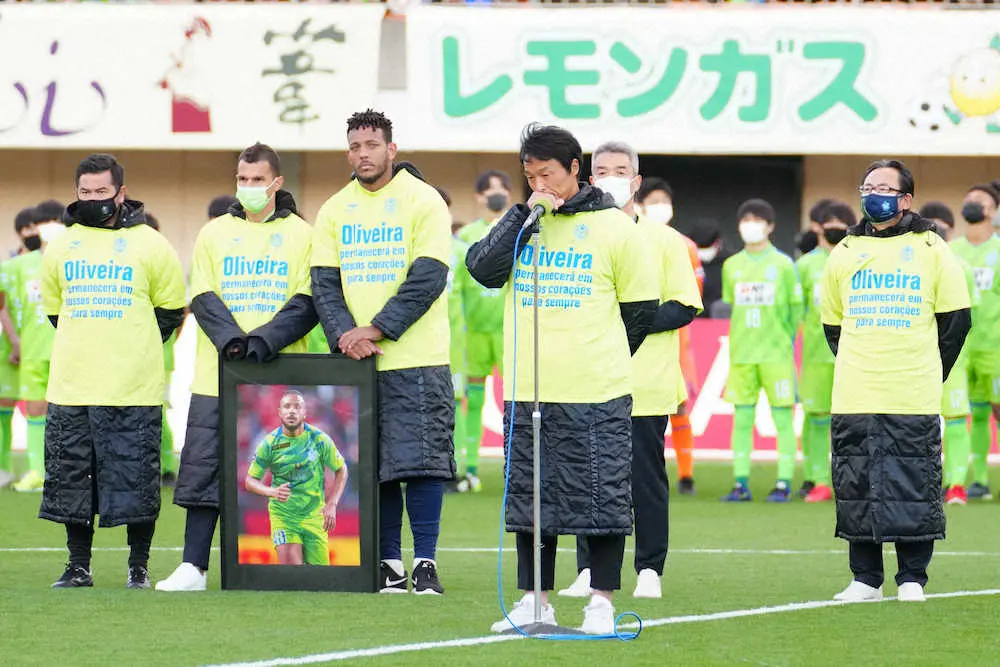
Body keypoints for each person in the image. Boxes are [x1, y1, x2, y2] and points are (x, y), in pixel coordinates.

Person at [466, 124, 657, 634]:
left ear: (576, 168)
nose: (539, 185)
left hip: (596, 387)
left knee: (603, 496)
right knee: (532, 500)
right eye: (530, 176)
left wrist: (599, 353)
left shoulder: (616, 227)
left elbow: (640, 311)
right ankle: (535, 600)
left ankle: (601, 603)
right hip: (528, 388)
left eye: (547, 174)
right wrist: (522, 215)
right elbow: (482, 269)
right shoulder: (525, 223)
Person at [158, 143, 317, 592]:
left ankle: (286, 564)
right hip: (219, 374)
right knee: (203, 468)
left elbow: (308, 301)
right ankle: (193, 567)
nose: (248, 186)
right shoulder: (213, 233)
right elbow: (203, 295)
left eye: (257, 179)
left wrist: (263, 341)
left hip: (282, 376)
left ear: (276, 182)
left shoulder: (303, 235)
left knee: (286, 473)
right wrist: (233, 343)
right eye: (242, 179)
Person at [311, 109, 455, 596]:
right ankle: (390, 564)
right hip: (359, 362)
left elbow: (428, 277)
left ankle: (426, 562)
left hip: (418, 358)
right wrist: (346, 336)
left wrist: (375, 328)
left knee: (423, 463)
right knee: (376, 467)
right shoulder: (334, 209)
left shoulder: (423, 199)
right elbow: (324, 284)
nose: (363, 154)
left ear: (391, 149)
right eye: (355, 147)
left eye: (372, 145)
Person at [822, 159, 971, 603]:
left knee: (914, 483)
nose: (874, 195)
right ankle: (865, 578)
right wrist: (861, 361)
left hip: (912, 390)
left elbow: (955, 321)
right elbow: (833, 325)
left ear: (906, 199)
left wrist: (927, 366)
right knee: (856, 483)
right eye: (868, 187)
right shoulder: (844, 251)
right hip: (856, 390)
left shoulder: (932, 248)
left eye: (885, 188)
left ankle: (911, 577)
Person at [559, 142, 701, 602]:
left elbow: (684, 305)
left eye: (620, 171)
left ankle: (649, 568)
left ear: (636, 181)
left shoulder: (666, 240)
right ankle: (587, 568)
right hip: (588, 382)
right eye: (602, 170)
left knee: (644, 480)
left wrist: (626, 321)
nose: (611, 178)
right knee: (587, 479)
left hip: (645, 384)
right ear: (589, 179)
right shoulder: (578, 232)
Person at [39, 153, 187, 589]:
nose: (93, 199)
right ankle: (78, 566)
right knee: (73, 481)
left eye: (101, 191)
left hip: (132, 388)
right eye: (85, 192)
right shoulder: (61, 245)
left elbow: (171, 309)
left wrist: (132, 343)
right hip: (73, 386)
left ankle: (138, 567)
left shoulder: (151, 244)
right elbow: (55, 311)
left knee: (137, 480)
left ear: (121, 193)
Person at [720, 199, 803, 502]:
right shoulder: (731, 266)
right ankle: (740, 482)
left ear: (770, 227)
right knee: (742, 420)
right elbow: (732, 306)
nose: (750, 226)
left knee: (783, 419)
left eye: (757, 220)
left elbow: (796, 310)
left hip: (776, 356)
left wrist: (782, 340)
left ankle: (783, 482)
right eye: (746, 220)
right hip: (742, 355)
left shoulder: (783, 265)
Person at [633, 176, 704, 496]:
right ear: (640, 204)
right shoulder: (628, 238)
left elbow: (693, 294)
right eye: (654, 201)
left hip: (676, 337)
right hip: (639, 340)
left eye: (665, 201)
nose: (661, 207)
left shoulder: (684, 245)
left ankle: (686, 475)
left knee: (679, 405)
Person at [453, 170, 512, 493]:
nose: (496, 194)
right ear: (478, 197)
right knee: (472, 402)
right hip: (474, 332)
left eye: (502, 189)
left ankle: (518, 468)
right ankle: (470, 469)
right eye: (490, 190)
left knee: (517, 402)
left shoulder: (517, 231)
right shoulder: (465, 236)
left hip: (508, 332)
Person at [794, 201, 854, 503]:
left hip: (854, 355)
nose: (834, 229)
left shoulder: (859, 259)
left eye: (841, 223)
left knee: (854, 421)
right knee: (816, 416)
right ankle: (817, 479)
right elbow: (796, 313)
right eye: (829, 223)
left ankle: (852, 480)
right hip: (817, 355)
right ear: (817, 228)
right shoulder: (805, 266)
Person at [244, 390, 349, 565]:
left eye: (297, 407)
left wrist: (332, 503)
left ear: (305, 412)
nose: (292, 411)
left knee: (319, 576)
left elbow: (342, 469)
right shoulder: (269, 443)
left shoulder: (319, 439)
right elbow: (249, 481)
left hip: (315, 515)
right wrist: (272, 492)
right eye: (287, 406)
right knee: (292, 568)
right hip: (284, 516)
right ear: (280, 412)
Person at [922, 201, 977, 505]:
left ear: (951, 231)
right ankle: (925, 484)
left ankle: (956, 484)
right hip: (917, 358)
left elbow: (966, 319)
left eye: (940, 227)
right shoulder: (910, 266)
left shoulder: (961, 268)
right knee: (917, 422)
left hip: (952, 358)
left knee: (955, 419)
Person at [5, 208, 62, 493]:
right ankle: (38, 471)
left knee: (69, 414)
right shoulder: (19, 265)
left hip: (68, 349)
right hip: (33, 348)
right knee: (36, 409)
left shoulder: (72, 260)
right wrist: (14, 340)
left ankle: (66, 473)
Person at [948, 183, 1000, 500]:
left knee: (996, 412)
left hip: (994, 348)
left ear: (992, 210)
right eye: (968, 200)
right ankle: (977, 479)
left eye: (979, 201)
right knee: (972, 414)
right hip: (960, 349)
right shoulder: (951, 250)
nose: (971, 204)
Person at [143, 212, 182, 487]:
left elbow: (180, 312)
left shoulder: (165, 263)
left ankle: (167, 467)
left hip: (159, 357)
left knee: (157, 410)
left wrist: (165, 342)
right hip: (137, 355)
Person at [0, 208, 37, 489]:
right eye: (28, 228)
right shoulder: (10, 266)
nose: (33, 232)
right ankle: (3, 467)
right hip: (10, 348)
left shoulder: (50, 262)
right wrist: (14, 340)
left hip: (39, 346)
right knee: (4, 405)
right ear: (20, 232)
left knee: (39, 409)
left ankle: (40, 470)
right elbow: (3, 306)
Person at [438, 185, 469, 495]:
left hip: (454, 345)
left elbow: (471, 300)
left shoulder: (460, 251)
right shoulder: (409, 248)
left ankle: (451, 469)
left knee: (452, 407)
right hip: (418, 345)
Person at [690, 218, 732, 318]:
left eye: (708, 247)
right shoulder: (684, 262)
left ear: (718, 243)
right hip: (691, 318)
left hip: (720, 319)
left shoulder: (730, 262)